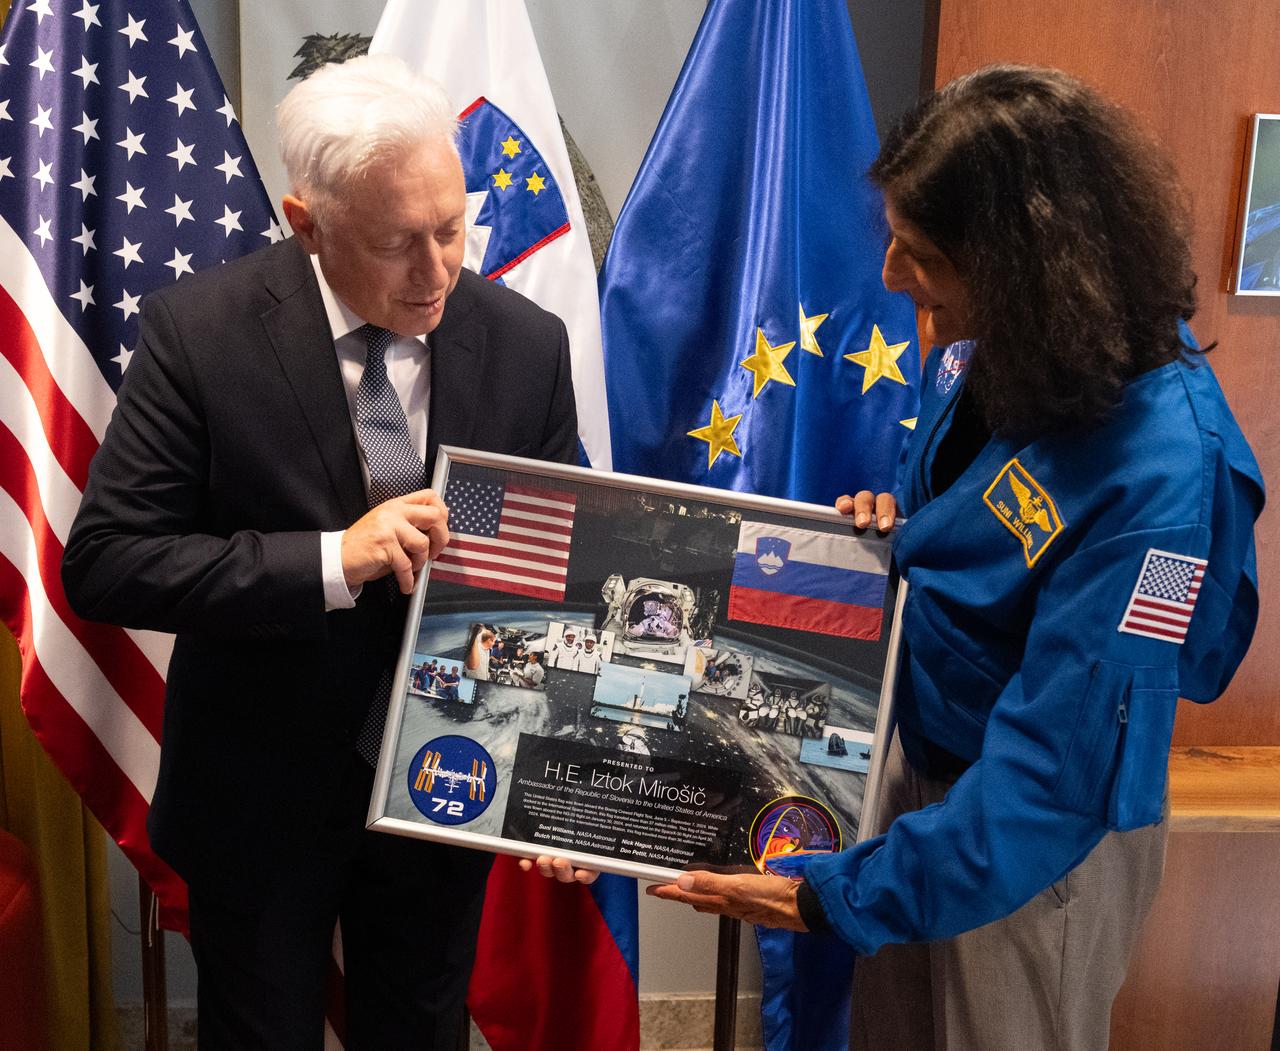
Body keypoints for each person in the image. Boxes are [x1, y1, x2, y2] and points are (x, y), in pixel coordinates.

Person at [649, 65, 1263, 1050]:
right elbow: (987, 525)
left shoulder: (1165, 477)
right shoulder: (1005, 338)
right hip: (926, 783)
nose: (891, 274)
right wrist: (902, 530)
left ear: (1026, 264)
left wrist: (843, 895)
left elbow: (1061, 772)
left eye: (922, 253)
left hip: (1029, 842)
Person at [61, 55, 587, 1050]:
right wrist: (331, 560)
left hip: (446, 792)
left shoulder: (528, 344)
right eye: (397, 243)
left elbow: (556, 579)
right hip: (257, 801)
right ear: (307, 223)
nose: (436, 272)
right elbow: (107, 561)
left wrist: (563, 783)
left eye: (450, 229)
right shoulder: (199, 334)